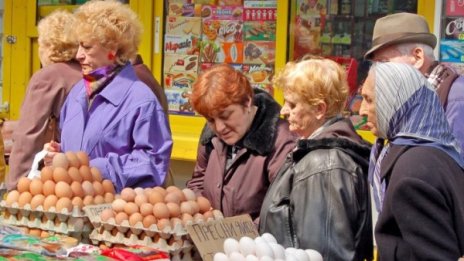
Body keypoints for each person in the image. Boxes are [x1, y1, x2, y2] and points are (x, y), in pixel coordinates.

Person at [44, 0, 172, 192]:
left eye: (87, 47)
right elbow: (79, 148)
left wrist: (89, 169)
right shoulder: (78, 91)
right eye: (78, 46)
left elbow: (152, 163)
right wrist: (58, 154)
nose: (78, 55)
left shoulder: (141, 100)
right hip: (72, 209)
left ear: (112, 49)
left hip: (113, 213)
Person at [259, 57, 373, 261]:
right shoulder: (319, 152)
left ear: (319, 109)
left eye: (292, 104)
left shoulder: (325, 162)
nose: (284, 111)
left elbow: (325, 252)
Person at [359, 62, 464, 260]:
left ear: (395, 101)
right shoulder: (439, 151)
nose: (361, 111)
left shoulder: (412, 173)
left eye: (369, 99)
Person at [186, 64, 296, 220]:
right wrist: (205, 215)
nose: (219, 127)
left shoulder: (281, 141)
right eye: (210, 119)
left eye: (226, 115)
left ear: (247, 102)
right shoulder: (211, 137)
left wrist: (239, 236)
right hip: (214, 239)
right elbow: (197, 183)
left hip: (258, 242)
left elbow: (281, 210)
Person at [364, 12, 464, 158]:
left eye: (384, 62)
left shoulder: (456, 99)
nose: (379, 73)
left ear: (417, 57)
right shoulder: (410, 99)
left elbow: (453, 172)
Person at [6, 10, 81, 190]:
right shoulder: (85, 73)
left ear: (48, 46)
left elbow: (29, 135)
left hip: (61, 171)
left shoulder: (48, 77)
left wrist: (14, 186)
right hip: (82, 171)